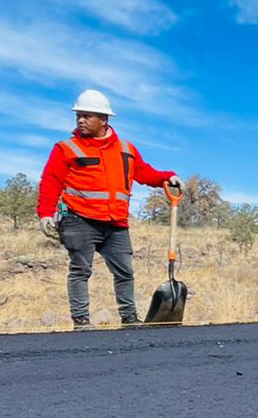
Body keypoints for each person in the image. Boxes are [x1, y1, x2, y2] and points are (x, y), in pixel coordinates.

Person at [37, 90, 180, 329]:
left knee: (125, 271)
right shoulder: (66, 148)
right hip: (79, 219)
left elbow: (144, 173)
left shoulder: (126, 149)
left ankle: (129, 319)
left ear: (104, 120)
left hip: (116, 223)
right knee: (80, 270)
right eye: (78, 116)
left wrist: (168, 178)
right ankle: (82, 321)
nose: (80, 120)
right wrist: (45, 214)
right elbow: (50, 181)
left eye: (87, 116)